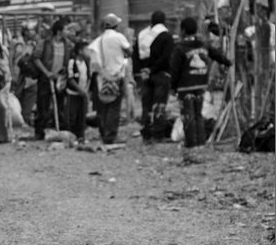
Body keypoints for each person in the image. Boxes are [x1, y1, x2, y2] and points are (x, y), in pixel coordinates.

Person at [170, 17, 231, 148]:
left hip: (185, 87)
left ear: (183, 30)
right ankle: (200, 142)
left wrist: (173, 87)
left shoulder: (180, 48)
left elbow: (174, 70)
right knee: (198, 115)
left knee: (188, 116)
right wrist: (228, 62)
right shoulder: (203, 44)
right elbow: (216, 55)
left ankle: (191, 143)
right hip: (201, 84)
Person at [89, 13, 132, 145]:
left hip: (101, 78)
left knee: (103, 107)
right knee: (114, 107)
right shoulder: (119, 37)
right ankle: (111, 136)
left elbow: (93, 59)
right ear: (116, 25)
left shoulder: (98, 40)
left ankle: (104, 134)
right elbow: (130, 51)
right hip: (116, 76)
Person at [133, 10, 175, 143]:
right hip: (160, 74)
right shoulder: (165, 35)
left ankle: (146, 133)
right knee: (159, 104)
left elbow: (135, 55)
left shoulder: (142, 34)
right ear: (164, 21)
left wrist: (142, 71)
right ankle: (158, 134)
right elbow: (166, 57)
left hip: (145, 75)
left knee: (146, 105)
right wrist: (153, 69)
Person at [31, 19, 67, 140]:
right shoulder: (45, 43)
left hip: (60, 79)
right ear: (59, 31)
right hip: (46, 79)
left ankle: (57, 128)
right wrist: (46, 73)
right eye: (65, 29)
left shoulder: (67, 44)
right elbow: (36, 58)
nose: (67, 32)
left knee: (60, 105)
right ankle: (40, 131)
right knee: (43, 106)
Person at [12, 20, 40, 127]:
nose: (32, 32)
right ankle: (18, 120)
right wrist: (11, 74)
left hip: (28, 75)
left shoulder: (33, 44)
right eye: (30, 30)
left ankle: (26, 118)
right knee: (17, 96)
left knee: (30, 96)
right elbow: (11, 58)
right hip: (17, 74)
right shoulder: (16, 42)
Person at [66, 40, 91, 144]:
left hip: (83, 93)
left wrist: (86, 90)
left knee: (82, 115)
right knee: (72, 115)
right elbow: (70, 78)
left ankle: (82, 136)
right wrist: (79, 89)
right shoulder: (72, 62)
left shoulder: (86, 62)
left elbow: (89, 77)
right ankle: (73, 136)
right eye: (86, 50)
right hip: (73, 93)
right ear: (80, 51)